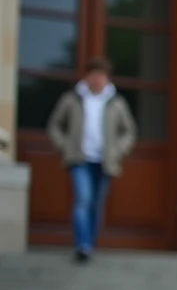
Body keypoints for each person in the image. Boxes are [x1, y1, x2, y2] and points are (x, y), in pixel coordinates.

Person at [47, 56, 137, 263]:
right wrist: (64, 147)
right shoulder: (72, 99)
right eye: (94, 75)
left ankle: (89, 243)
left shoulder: (116, 103)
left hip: (104, 162)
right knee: (83, 198)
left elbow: (129, 131)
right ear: (87, 77)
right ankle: (83, 244)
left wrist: (118, 151)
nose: (97, 80)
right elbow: (55, 126)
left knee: (96, 204)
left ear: (107, 78)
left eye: (101, 76)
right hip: (79, 159)